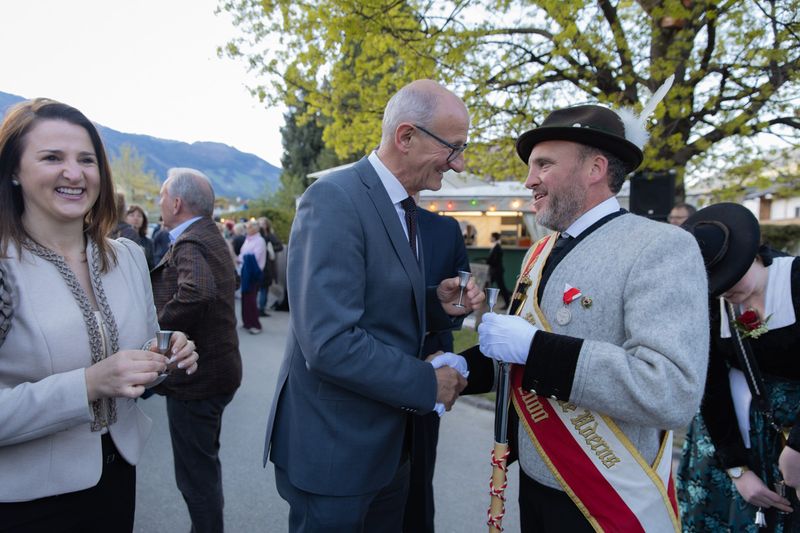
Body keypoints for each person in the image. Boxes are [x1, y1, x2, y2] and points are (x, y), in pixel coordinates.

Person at [468, 102, 710, 531]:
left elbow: (671, 390)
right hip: (537, 478)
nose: (529, 180)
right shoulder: (540, 251)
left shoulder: (660, 246)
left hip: (605, 494)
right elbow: (521, 356)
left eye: (544, 164)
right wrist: (462, 370)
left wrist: (538, 349)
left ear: (595, 168)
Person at [264, 79, 484, 532]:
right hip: (336, 452)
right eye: (453, 148)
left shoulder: (401, 206)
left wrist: (436, 305)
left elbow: (376, 308)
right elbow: (329, 342)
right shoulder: (335, 198)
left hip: (386, 449)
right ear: (406, 136)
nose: (459, 163)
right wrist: (427, 382)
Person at [0, 98, 197, 532]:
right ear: (13, 170)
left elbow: (140, 359)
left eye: (86, 160)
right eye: (52, 158)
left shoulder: (127, 257)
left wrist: (163, 356)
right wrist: (89, 384)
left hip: (116, 480)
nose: (74, 173)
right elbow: (97, 379)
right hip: (23, 501)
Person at [677, 202, 800, 531]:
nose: (725, 290)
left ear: (751, 255)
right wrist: (737, 470)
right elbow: (710, 381)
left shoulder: (795, 280)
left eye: (731, 277)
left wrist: (797, 448)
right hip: (732, 436)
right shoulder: (714, 303)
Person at [150, 167, 242, 533]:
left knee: (196, 479)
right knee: (204, 468)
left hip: (197, 380)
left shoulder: (190, 241)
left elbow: (197, 292)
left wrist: (156, 327)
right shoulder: (209, 233)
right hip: (219, 371)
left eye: (161, 196)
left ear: (176, 203)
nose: (159, 202)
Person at [403, 207, 470, 533]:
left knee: (419, 475)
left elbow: (458, 302)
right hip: (369, 371)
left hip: (431, 366)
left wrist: (460, 303)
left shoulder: (445, 228)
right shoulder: (357, 214)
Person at [238, 219, 271, 334]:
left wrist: (241, 258)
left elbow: (254, 257)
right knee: (245, 298)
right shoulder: (248, 239)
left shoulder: (259, 240)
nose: (246, 229)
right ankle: (247, 322)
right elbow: (242, 254)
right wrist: (241, 258)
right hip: (245, 271)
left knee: (251, 299)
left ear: (254, 229)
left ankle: (255, 325)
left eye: (248, 227)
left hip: (253, 273)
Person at [257, 216, 283, 316]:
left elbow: (279, 246)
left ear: (267, 225)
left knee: (264, 287)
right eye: (259, 223)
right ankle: (258, 308)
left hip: (267, 265)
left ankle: (261, 308)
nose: (261, 225)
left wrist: (269, 249)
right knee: (259, 288)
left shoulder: (269, 236)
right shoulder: (256, 235)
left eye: (263, 223)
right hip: (257, 264)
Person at [486, 231, 512, 309]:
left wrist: (488, 261)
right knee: (488, 285)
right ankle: (507, 303)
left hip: (497, 271)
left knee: (502, 287)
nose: (490, 238)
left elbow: (495, 260)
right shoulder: (496, 246)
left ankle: (508, 303)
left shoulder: (497, 247)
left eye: (491, 237)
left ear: (494, 238)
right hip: (495, 271)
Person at [125, 204, 155, 269]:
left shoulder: (148, 242)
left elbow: (151, 265)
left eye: (139, 216)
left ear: (143, 220)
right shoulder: (120, 238)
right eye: (132, 215)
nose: (136, 218)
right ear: (125, 218)